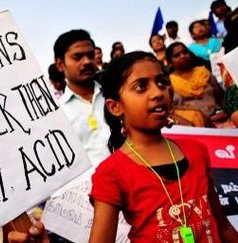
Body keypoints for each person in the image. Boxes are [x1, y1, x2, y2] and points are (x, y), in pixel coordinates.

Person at [89, 51, 238, 242]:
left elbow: (222, 225)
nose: (158, 92)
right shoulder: (111, 173)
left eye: (161, 83)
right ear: (115, 107)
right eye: (141, 87)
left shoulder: (196, 150)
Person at [54, 29, 110, 165]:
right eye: (77, 57)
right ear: (60, 64)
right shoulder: (59, 113)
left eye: (90, 55)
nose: (87, 62)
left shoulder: (115, 95)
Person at [166, 42, 225, 124]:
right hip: (191, 127)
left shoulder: (204, 73)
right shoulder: (170, 83)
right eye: (177, 55)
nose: (182, 56)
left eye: (185, 52)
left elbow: (221, 98)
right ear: (170, 61)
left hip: (219, 120)